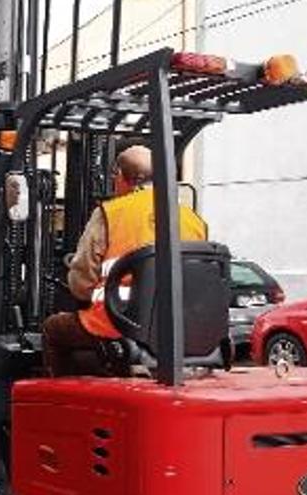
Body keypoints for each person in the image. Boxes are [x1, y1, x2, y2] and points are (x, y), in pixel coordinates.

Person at [42, 145, 208, 376]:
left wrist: (83, 289)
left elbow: (82, 283)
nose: (113, 180)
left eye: (115, 174)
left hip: (119, 324)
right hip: (174, 326)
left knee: (53, 329)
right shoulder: (192, 219)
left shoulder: (110, 214)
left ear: (126, 177)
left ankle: (62, 395)